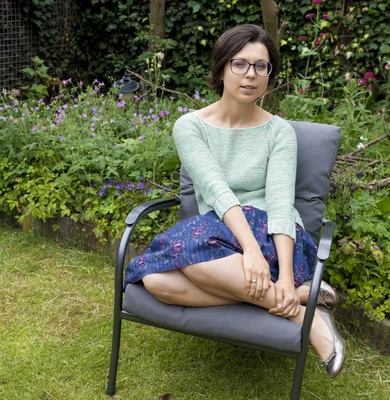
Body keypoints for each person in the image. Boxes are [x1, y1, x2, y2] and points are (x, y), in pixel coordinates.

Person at [124, 24, 344, 377]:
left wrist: (285, 274)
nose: (251, 75)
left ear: (269, 74)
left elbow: (282, 203)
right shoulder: (190, 126)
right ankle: (300, 306)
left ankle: (298, 304)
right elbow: (216, 191)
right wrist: (249, 252)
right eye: (240, 64)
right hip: (220, 234)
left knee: (184, 257)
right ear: (222, 68)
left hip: (275, 237)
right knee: (156, 281)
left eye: (262, 66)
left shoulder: (279, 132)